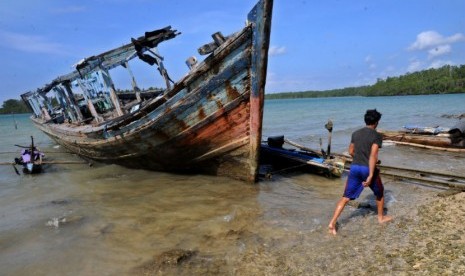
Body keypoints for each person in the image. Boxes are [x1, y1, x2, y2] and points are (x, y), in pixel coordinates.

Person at [328, 109, 392, 235]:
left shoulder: (355, 133)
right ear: (377, 122)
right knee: (380, 193)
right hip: (367, 169)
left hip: (355, 168)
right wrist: (371, 175)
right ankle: (381, 218)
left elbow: (351, 151)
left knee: (346, 197)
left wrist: (360, 158)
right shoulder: (377, 136)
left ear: (366, 120)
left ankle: (332, 223)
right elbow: (373, 155)